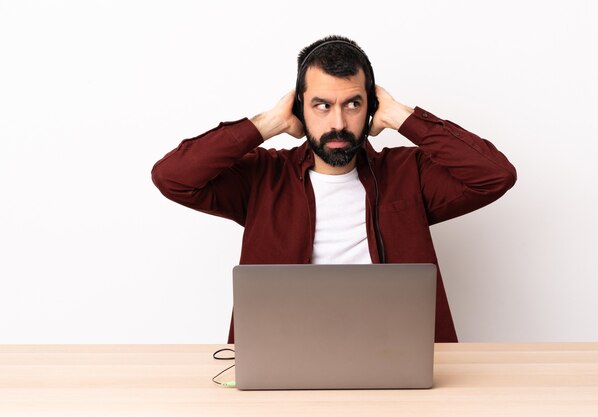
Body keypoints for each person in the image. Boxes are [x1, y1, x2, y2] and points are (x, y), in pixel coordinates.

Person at [151, 35, 517, 343]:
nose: (338, 123)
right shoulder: (263, 176)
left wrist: (404, 117)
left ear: (371, 106)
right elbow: (173, 176)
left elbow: (495, 174)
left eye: (353, 104)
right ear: (300, 108)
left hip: (394, 353)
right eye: (322, 106)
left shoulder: (408, 173)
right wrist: (267, 123)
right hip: (284, 352)